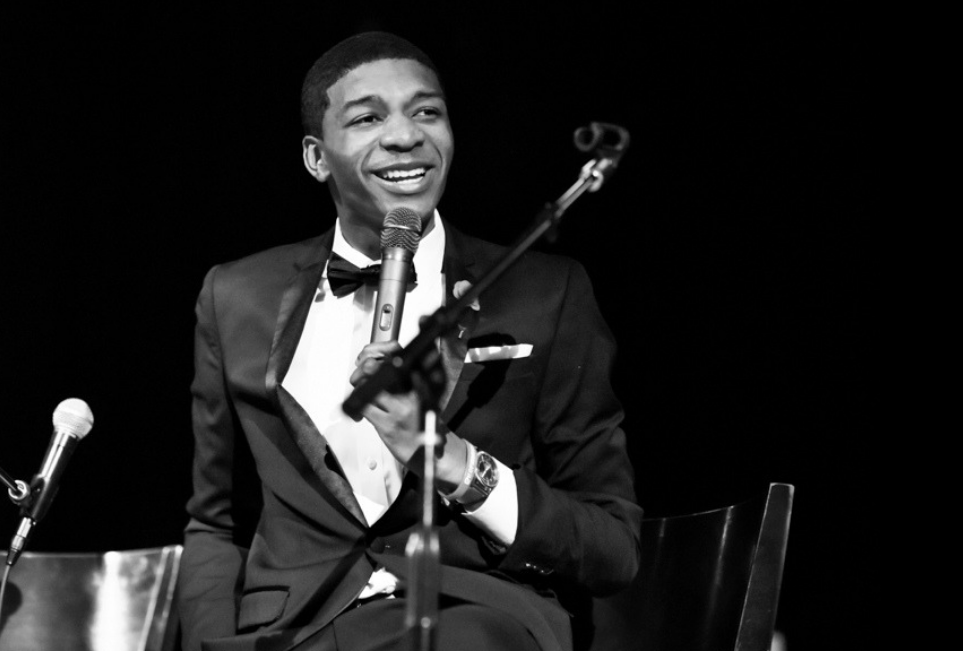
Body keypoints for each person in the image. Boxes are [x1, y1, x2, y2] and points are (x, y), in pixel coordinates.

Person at [177, 31, 640, 651]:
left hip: (472, 621)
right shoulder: (236, 295)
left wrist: (452, 462)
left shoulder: (544, 292)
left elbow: (612, 549)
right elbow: (215, 522)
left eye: (427, 112)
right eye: (367, 118)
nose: (404, 135)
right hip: (294, 632)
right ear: (316, 157)